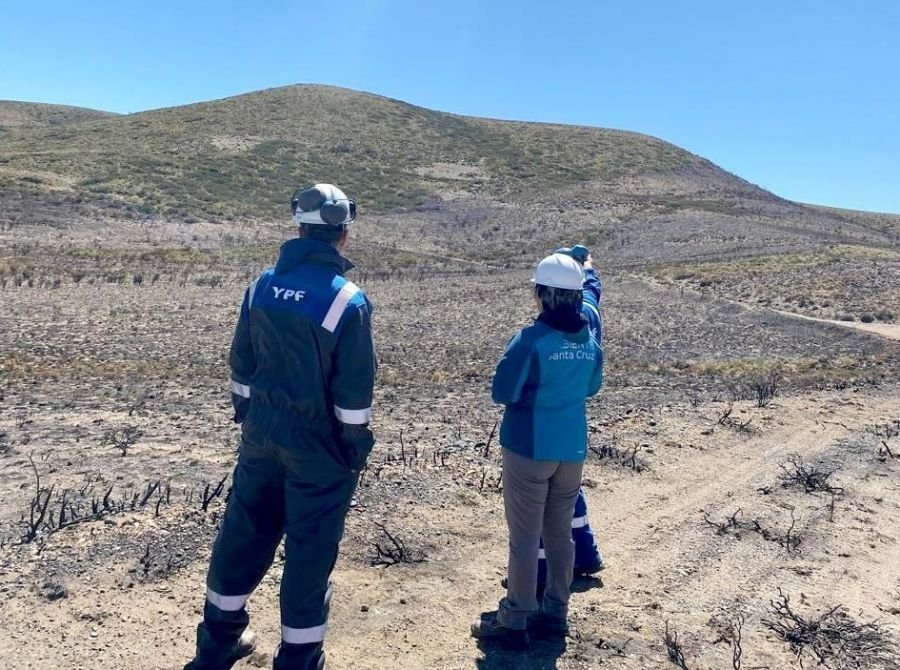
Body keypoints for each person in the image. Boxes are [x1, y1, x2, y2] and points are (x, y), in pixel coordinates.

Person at [184, 183, 377, 670]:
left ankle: (217, 641)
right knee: (310, 549)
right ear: (343, 234)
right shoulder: (347, 301)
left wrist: (250, 417)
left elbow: (240, 364)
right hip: (319, 446)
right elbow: (354, 393)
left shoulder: (261, 287)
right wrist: (354, 444)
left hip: (262, 436)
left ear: (299, 227)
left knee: (243, 532)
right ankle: (299, 656)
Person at [472, 250, 604, 649]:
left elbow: (502, 392)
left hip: (529, 448)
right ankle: (555, 614)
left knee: (525, 538)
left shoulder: (530, 340)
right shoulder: (589, 342)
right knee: (559, 534)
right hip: (571, 449)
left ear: (542, 293)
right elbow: (591, 389)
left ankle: (514, 620)